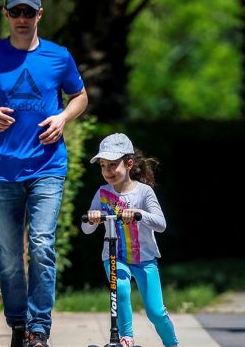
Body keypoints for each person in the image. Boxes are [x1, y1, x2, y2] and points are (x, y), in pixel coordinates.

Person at [0, 0, 88, 347]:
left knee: (42, 245)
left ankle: (39, 328)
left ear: (40, 15)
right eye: (17, 12)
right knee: (11, 255)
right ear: (6, 14)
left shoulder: (59, 57)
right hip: (2, 171)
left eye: (30, 12)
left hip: (48, 167)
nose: (23, 19)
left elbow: (80, 96)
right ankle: (18, 323)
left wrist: (63, 119)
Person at [82, 133, 180, 347]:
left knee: (156, 312)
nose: (107, 171)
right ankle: (126, 338)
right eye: (103, 165)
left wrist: (138, 213)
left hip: (144, 259)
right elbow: (86, 228)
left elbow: (161, 224)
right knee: (122, 290)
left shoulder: (144, 192)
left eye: (112, 165)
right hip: (115, 256)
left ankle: (172, 344)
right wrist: (92, 218)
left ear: (128, 164)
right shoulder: (102, 193)